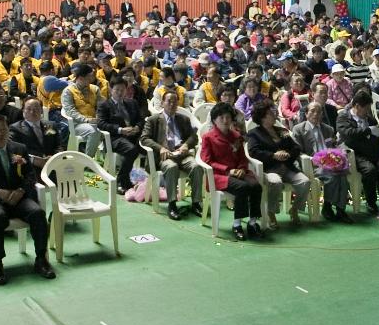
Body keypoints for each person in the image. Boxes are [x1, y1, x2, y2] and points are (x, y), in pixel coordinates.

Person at [0, 114, 55, 286]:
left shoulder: (19, 148)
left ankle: (41, 259)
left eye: (3, 129)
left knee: (38, 213)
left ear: (8, 130)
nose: (0, 133)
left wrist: (21, 190)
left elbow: (30, 175)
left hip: (19, 197)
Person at [199, 101, 264, 241]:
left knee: (256, 186)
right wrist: (229, 170)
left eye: (228, 117)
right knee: (243, 187)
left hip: (238, 172)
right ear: (214, 120)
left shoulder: (236, 136)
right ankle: (237, 224)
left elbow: (242, 157)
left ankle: (253, 223)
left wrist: (241, 168)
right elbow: (207, 161)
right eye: (221, 117)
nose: (225, 120)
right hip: (218, 176)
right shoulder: (208, 138)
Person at [246, 100, 310, 227]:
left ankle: (295, 209)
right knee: (275, 182)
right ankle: (271, 213)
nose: (275, 114)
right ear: (263, 117)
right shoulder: (254, 133)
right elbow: (253, 152)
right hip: (268, 169)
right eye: (271, 113)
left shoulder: (282, 130)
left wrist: (287, 154)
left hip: (287, 167)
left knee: (305, 182)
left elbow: (296, 147)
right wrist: (273, 155)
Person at [140, 91, 202, 220]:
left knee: (197, 167)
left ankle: (196, 203)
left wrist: (186, 145)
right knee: (171, 167)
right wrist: (160, 148)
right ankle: (172, 204)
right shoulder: (153, 120)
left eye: (175, 101)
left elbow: (193, 137)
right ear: (162, 103)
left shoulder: (183, 119)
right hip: (165, 155)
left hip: (181, 154)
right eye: (169, 101)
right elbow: (144, 138)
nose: (172, 104)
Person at [336, 91, 379, 220]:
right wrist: (368, 130)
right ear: (357, 106)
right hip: (356, 154)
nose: (368, 111)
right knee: (370, 171)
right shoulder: (343, 117)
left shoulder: (369, 118)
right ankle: (371, 202)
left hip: (373, 153)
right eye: (366, 108)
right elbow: (348, 133)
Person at [291, 100, 349, 222]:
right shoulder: (299, 129)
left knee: (343, 175)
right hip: (312, 164)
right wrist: (314, 159)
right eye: (312, 111)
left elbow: (333, 145)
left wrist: (339, 153)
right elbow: (296, 151)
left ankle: (340, 209)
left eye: (319, 111)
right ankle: (327, 206)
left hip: (329, 161)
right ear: (306, 114)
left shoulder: (328, 129)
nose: (316, 114)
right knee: (332, 176)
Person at [96, 76, 143, 191]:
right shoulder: (104, 105)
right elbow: (101, 124)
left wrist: (137, 127)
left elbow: (141, 119)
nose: (120, 92)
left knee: (150, 147)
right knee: (132, 150)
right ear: (111, 89)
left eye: (122, 89)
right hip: (114, 138)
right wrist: (120, 130)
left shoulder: (132, 103)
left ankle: (154, 181)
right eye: (117, 89)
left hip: (133, 135)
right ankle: (122, 180)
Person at [9, 98, 66, 176]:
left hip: (53, 163)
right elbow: (13, 151)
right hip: (30, 166)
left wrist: (54, 157)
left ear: (41, 110)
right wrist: (34, 160)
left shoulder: (51, 125)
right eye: (28, 109)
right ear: (23, 111)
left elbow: (60, 145)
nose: (32, 112)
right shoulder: (15, 128)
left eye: (36, 109)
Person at [60, 64, 103, 158]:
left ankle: (110, 158)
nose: (91, 79)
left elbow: (101, 107)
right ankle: (87, 161)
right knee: (93, 131)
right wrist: (87, 120)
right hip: (77, 124)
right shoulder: (68, 91)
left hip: (95, 121)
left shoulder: (95, 89)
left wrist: (100, 117)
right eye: (89, 77)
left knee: (113, 127)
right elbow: (70, 111)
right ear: (80, 78)